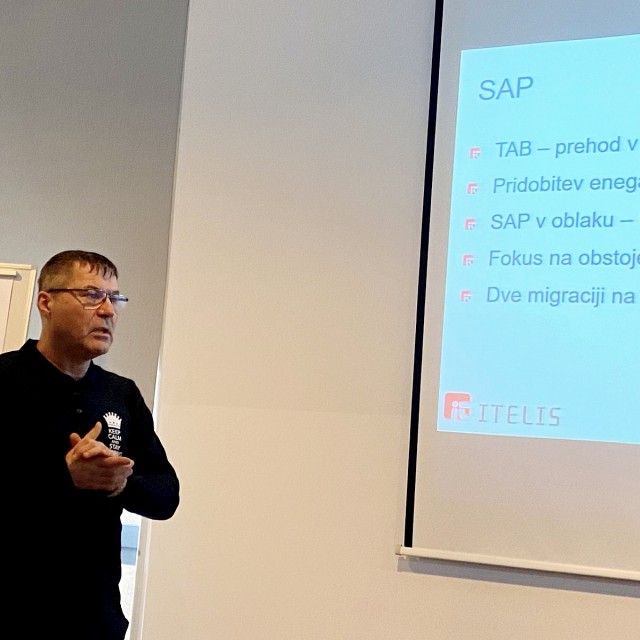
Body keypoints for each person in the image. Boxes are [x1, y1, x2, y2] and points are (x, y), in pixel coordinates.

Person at [1, 250, 179, 640]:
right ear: (46, 302)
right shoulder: (4, 381)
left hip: (95, 620)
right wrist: (64, 476)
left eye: (115, 298)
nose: (108, 311)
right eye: (91, 295)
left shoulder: (121, 395)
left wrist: (118, 484)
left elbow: (166, 495)